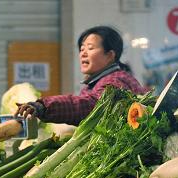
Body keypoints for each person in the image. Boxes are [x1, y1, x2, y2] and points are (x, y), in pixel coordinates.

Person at [16, 26, 146, 125]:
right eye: (82, 49)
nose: (83, 53)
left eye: (90, 48)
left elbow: (92, 105)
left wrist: (44, 106)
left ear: (110, 55)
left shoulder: (116, 81)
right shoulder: (100, 81)